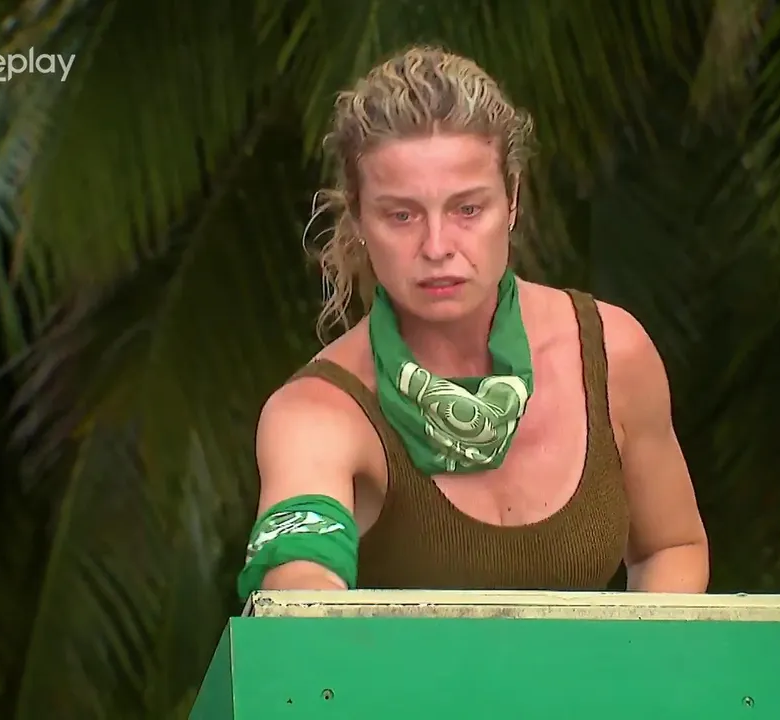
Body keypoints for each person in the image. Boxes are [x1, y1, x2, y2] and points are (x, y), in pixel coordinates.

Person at [238, 45, 709, 598]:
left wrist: (635, 655)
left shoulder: (610, 353)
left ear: (512, 200)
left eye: (467, 209)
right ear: (360, 218)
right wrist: (304, 584)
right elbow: (297, 587)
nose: (437, 246)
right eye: (401, 215)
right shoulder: (318, 412)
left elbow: (670, 546)